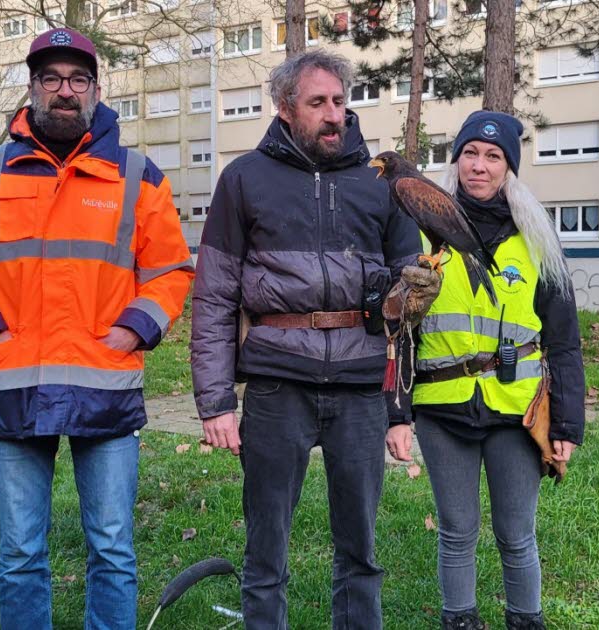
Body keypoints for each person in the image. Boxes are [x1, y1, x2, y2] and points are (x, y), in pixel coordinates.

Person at [0, 28, 193, 629]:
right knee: (20, 553)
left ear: (97, 90)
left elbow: (171, 272)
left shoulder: (138, 176)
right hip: (14, 384)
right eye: (51, 78)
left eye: (78, 79)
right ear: (33, 89)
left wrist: (134, 330)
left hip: (105, 382)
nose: (65, 90)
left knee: (113, 548)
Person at [190, 49, 432, 629]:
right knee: (266, 550)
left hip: (360, 385)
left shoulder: (382, 182)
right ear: (285, 107)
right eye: (318, 102)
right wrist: (216, 401)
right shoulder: (244, 179)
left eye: (339, 102)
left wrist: (400, 408)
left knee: (361, 551)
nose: (333, 114)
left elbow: (407, 314)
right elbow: (215, 295)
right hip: (278, 384)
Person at [384, 111, 586, 630]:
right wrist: (397, 416)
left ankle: (526, 621)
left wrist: (567, 424)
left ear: (508, 167)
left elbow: (564, 339)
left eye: (493, 156)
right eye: (470, 153)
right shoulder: (424, 230)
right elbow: (398, 336)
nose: (479, 165)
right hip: (441, 408)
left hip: (517, 409)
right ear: (456, 162)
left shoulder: (536, 236)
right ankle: (460, 621)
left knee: (516, 534)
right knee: (456, 532)